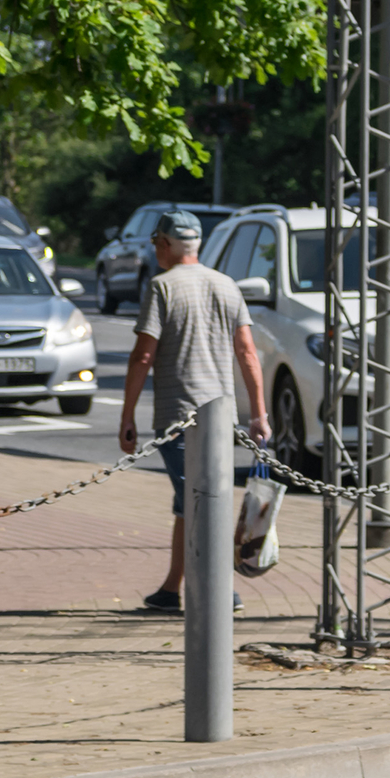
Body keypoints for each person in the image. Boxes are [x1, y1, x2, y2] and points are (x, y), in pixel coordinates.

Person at [118, 208, 270, 612]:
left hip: (178, 415)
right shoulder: (226, 285)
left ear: (166, 244)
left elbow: (142, 356)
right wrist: (258, 413)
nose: (154, 250)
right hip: (221, 418)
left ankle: (223, 591)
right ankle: (171, 588)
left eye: (156, 243)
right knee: (192, 502)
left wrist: (127, 415)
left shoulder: (161, 286)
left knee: (201, 503)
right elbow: (247, 352)